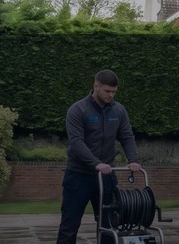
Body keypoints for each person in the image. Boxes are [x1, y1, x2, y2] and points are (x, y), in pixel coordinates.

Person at [57, 69, 142, 244]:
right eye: (107, 91)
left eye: (114, 92)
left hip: (106, 177)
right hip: (78, 176)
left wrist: (133, 160)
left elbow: (127, 137)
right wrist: (96, 163)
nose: (111, 95)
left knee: (109, 225)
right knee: (69, 225)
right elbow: (76, 142)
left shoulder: (119, 111)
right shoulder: (77, 109)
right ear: (95, 86)